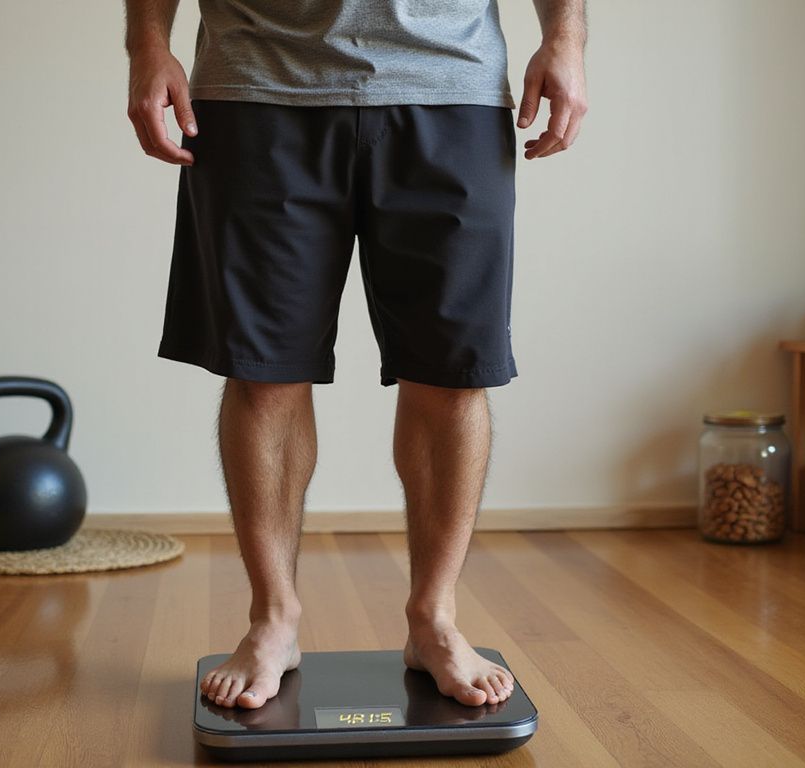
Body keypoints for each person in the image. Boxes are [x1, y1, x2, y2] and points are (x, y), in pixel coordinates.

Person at [125, 0, 587, 709]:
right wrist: (147, 46)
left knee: (452, 374)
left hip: (450, 87)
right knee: (264, 375)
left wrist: (565, 37)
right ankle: (273, 618)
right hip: (258, 82)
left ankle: (434, 619)